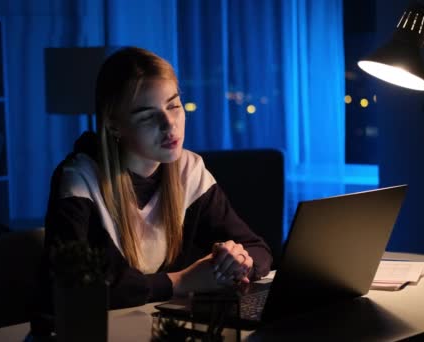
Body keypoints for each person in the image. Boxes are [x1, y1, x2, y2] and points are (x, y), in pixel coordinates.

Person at [42, 46, 272, 310]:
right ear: (114, 125)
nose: (169, 124)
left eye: (174, 105)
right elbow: (70, 287)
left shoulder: (190, 170)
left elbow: (258, 249)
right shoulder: (79, 179)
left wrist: (240, 261)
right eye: (148, 116)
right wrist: (181, 281)